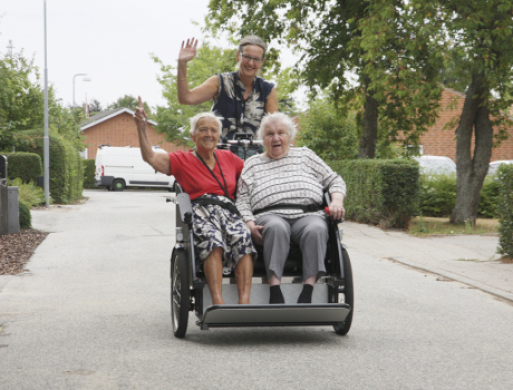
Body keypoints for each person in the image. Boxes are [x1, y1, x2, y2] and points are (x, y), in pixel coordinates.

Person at [134, 97, 255, 305]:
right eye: (202, 129)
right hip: (201, 210)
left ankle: (245, 303)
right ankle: (218, 302)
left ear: (219, 135)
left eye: (213, 130)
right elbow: (151, 157)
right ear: (192, 135)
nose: (208, 134)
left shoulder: (229, 158)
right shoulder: (181, 160)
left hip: (227, 210)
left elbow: (255, 174)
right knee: (212, 240)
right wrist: (142, 128)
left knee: (243, 236)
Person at [235, 112, 346, 304]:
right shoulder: (253, 163)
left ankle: (307, 291)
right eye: (270, 134)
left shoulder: (305, 155)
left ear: (290, 136)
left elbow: (334, 179)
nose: (276, 138)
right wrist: (250, 224)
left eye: (281, 133)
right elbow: (242, 199)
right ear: (263, 140)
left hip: (308, 213)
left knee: (317, 228)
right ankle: (275, 290)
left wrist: (337, 201)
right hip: (269, 215)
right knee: (276, 228)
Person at [177, 36, 279, 157]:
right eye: (246, 57)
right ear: (238, 56)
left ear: (262, 61)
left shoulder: (268, 90)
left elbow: (275, 128)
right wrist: (182, 64)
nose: (251, 63)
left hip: (254, 159)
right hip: (219, 156)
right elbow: (186, 98)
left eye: (256, 59)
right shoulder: (219, 82)